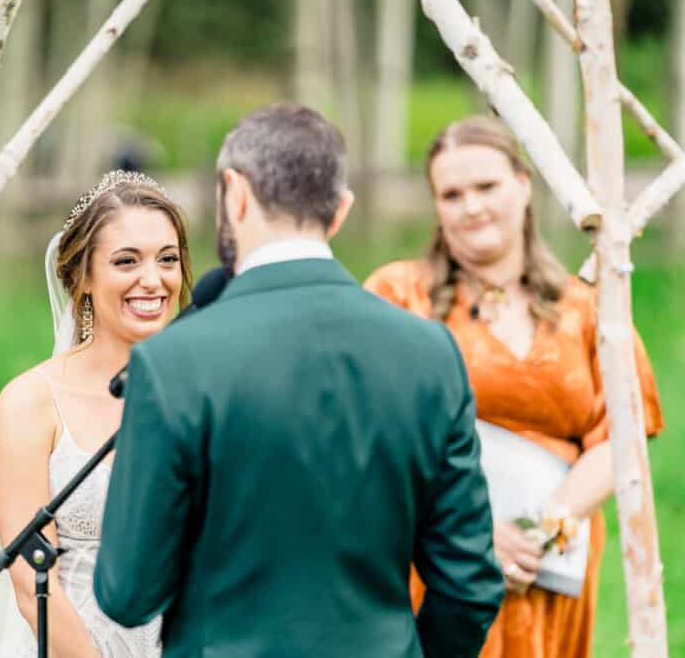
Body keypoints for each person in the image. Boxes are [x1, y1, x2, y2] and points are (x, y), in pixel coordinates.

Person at [93, 103, 506, 658]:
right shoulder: (431, 351)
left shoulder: (174, 362)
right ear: (340, 210)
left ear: (234, 194)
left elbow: (128, 593)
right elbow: (470, 585)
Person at [364, 115, 664, 657]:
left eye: (486, 186)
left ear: (523, 184)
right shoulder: (398, 295)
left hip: (549, 563)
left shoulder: (587, 308)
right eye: (452, 194)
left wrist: (541, 529)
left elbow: (625, 431)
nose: (472, 207)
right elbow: (368, 433)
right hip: (434, 564)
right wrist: (473, 537)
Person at [0, 171, 193, 657]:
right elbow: (28, 583)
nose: (153, 279)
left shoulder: (205, 392)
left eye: (167, 259)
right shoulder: (32, 402)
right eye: (127, 261)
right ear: (82, 275)